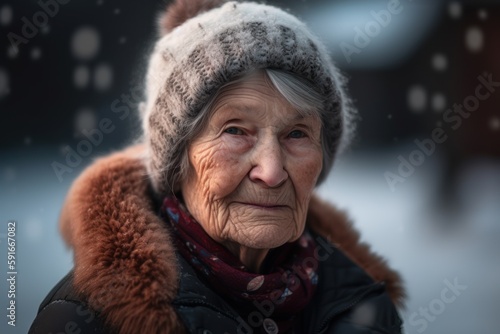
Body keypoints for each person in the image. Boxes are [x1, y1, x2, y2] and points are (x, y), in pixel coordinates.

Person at [30, 0, 405, 333]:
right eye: (236, 130)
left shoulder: (365, 309)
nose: (271, 172)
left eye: (296, 134)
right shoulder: (86, 320)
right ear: (179, 160)